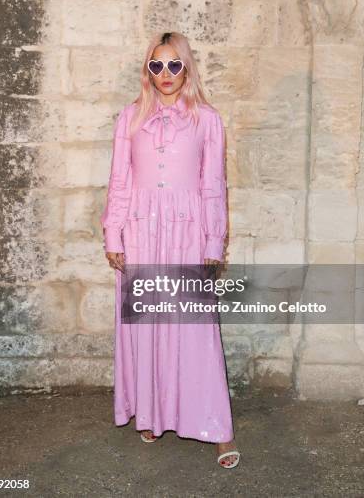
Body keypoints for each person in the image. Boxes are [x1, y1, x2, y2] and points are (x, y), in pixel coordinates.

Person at [100, 31, 241, 469]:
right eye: (156, 65)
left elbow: (214, 185)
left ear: (187, 68)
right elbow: (120, 182)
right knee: (147, 326)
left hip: (186, 232)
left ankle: (218, 429)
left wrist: (213, 241)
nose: (165, 74)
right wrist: (113, 234)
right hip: (141, 231)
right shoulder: (129, 117)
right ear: (148, 69)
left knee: (194, 331)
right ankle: (152, 412)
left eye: (174, 65)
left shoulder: (208, 119)